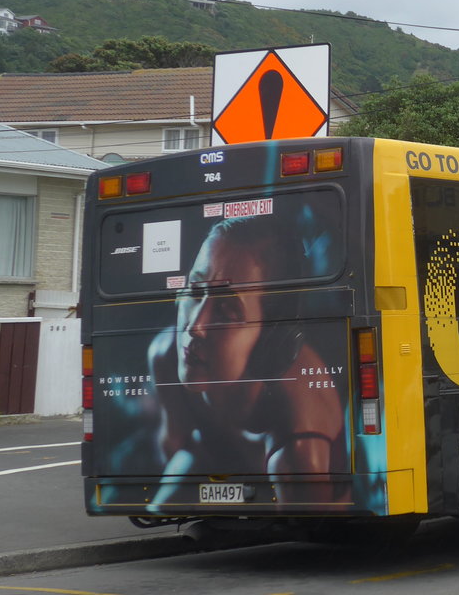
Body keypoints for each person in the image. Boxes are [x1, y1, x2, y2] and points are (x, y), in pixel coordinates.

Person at [147, 215, 347, 507]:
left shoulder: (297, 441)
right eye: (195, 291)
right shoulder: (165, 355)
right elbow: (174, 444)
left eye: (227, 311)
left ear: (268, 335)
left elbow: (314, 524)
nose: (195, 327)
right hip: (216, 462)